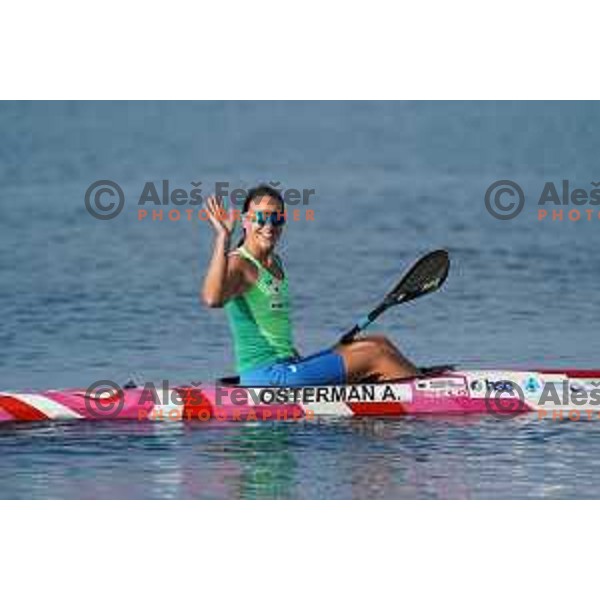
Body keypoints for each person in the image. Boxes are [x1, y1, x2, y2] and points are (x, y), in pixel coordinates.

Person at [201, 185, 418, 386]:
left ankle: (391, 402)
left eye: (276, 218)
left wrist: (305, 362)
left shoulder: (275, 262)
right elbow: (213, 299)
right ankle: (427, 393)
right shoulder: (240, 263)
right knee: (376, 353)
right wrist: (223, 238)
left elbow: (274, 334)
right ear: (246, 221)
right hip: (267, 376)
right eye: (261, 218)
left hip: (288, 366)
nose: (269, 226)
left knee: (378, 341)